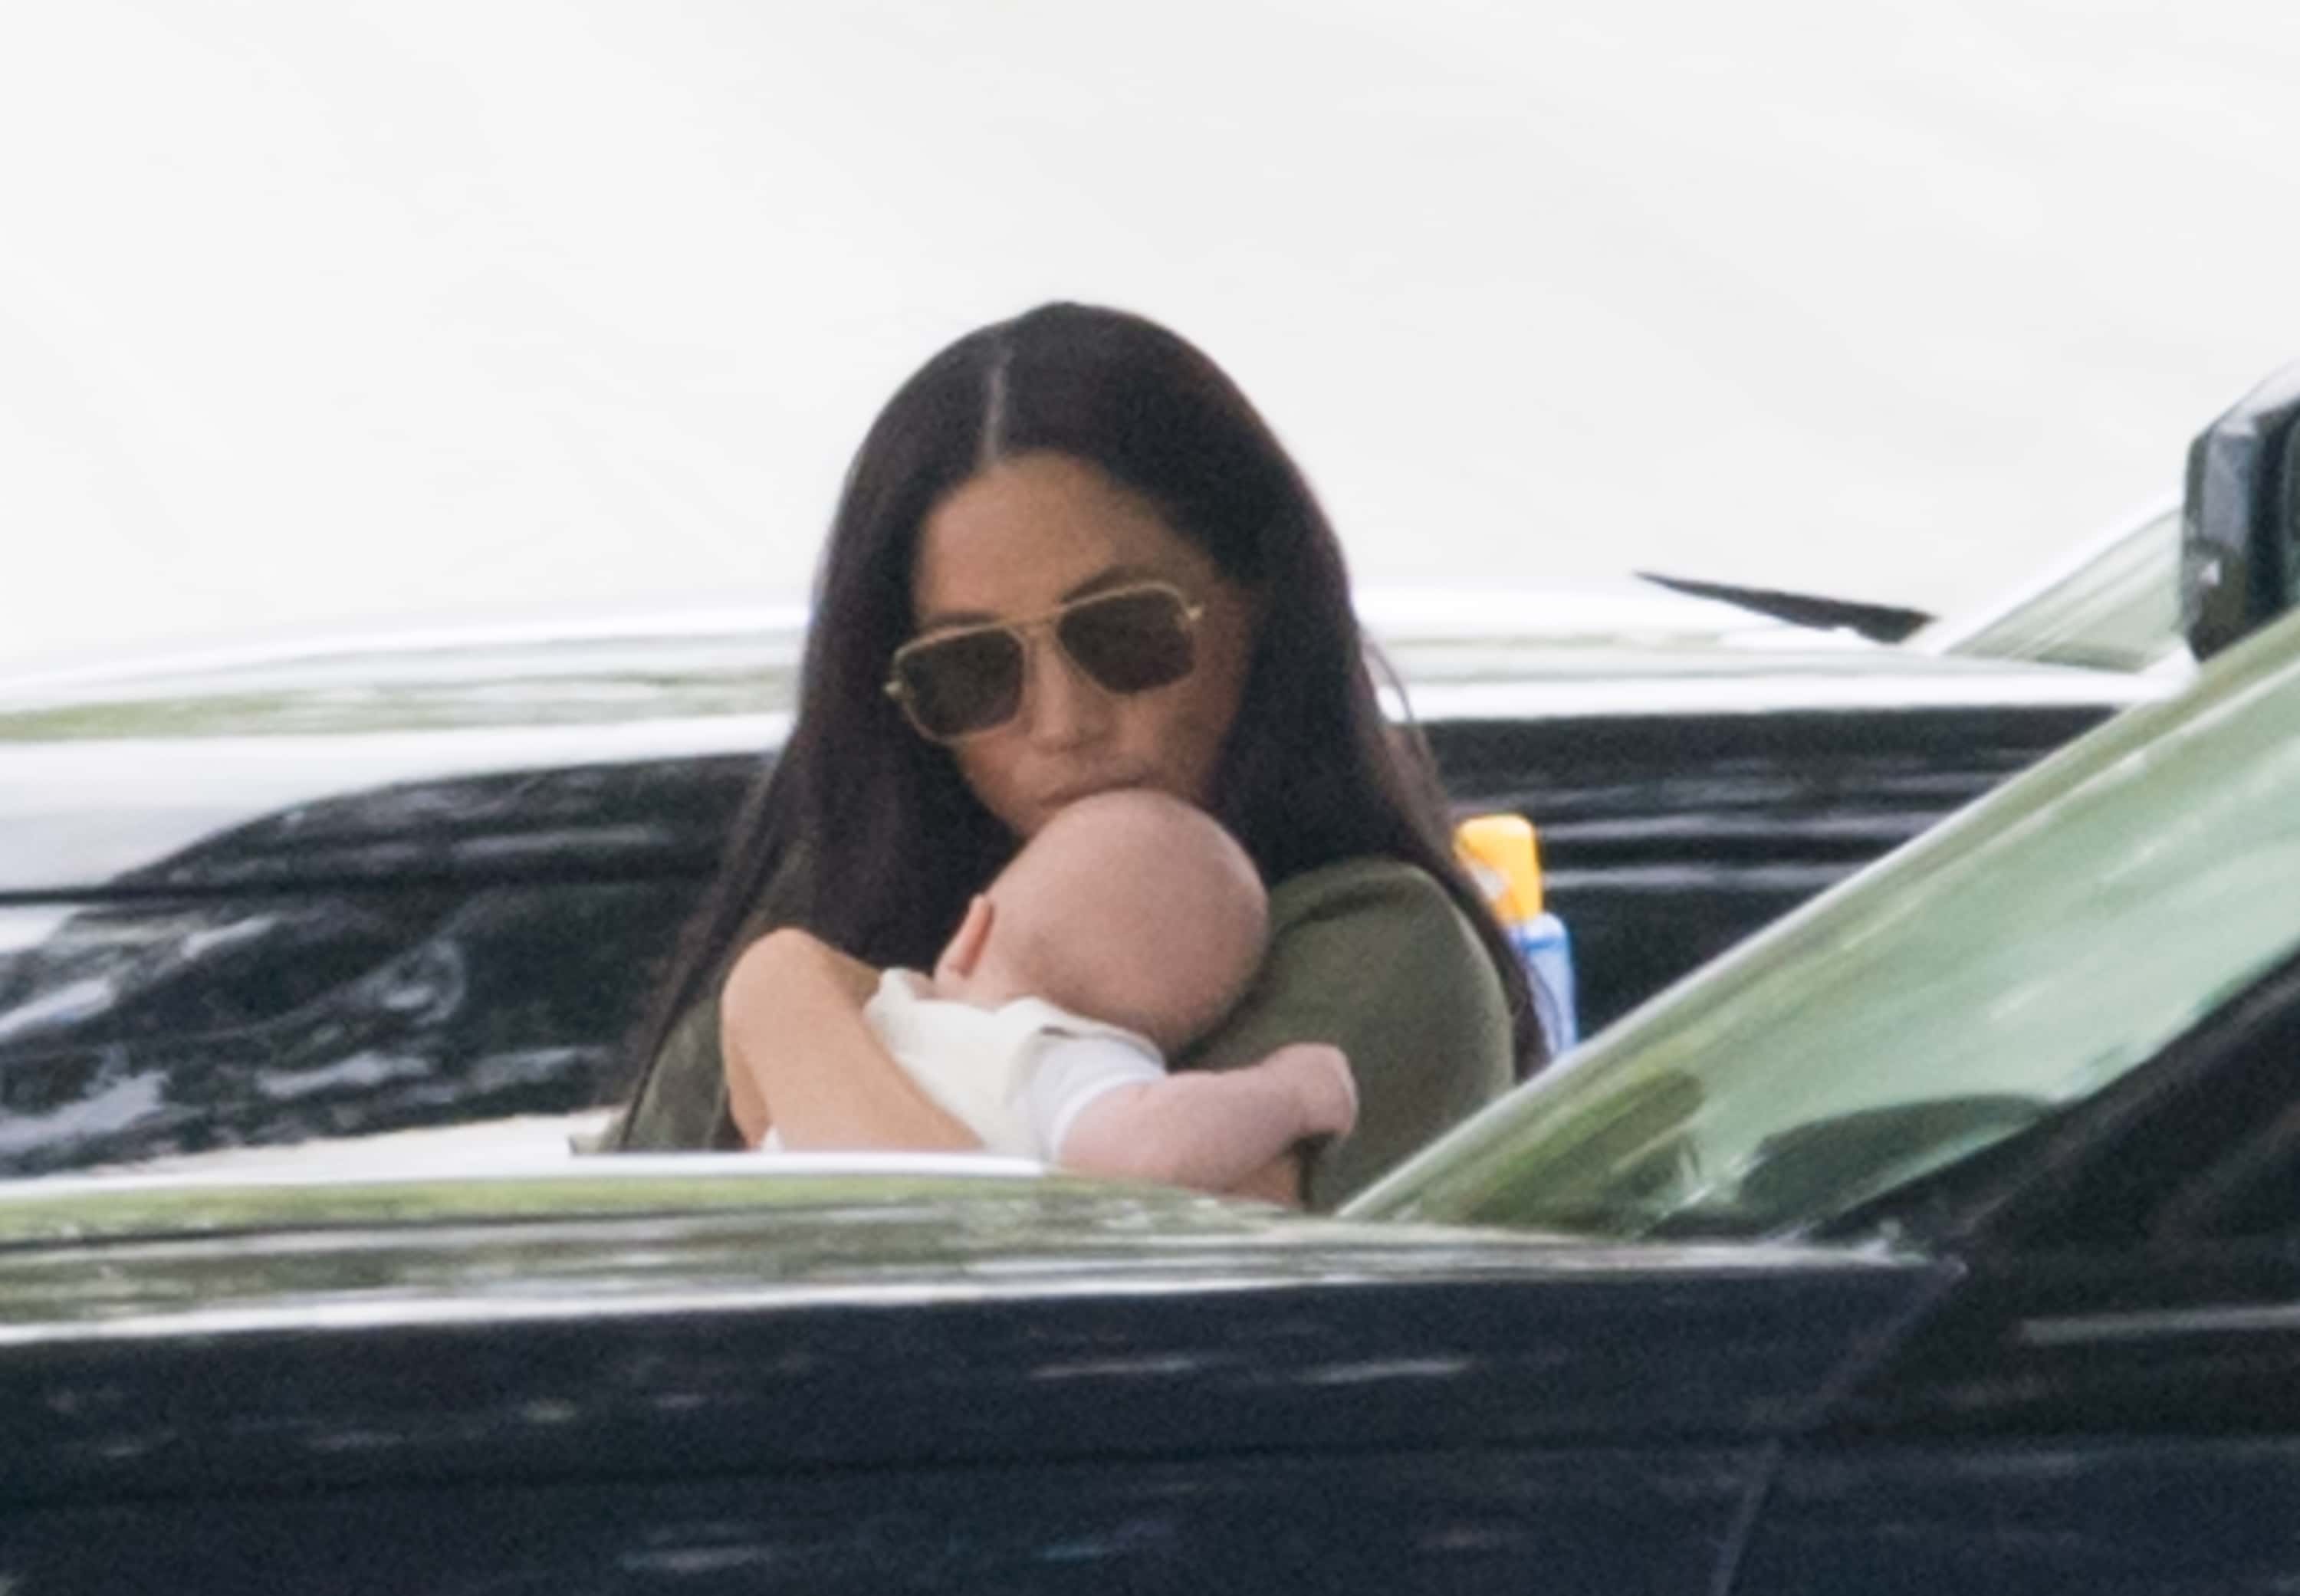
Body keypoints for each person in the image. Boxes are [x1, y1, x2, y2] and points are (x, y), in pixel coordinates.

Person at [609, 301, 1539, 1208]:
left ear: (1260, 601)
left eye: (1124, 631)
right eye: (972, 670)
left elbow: (1039, 1293)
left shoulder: (1381, 944)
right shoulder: (839, 906)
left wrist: (789, 1010)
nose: (1062, 723)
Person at [733, 788, 1359, 1197]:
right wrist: (1287, 1094)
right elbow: (1147, 1149)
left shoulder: (898, 1019)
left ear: (970, 932)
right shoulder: (1060, 1060)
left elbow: (758, 1121)